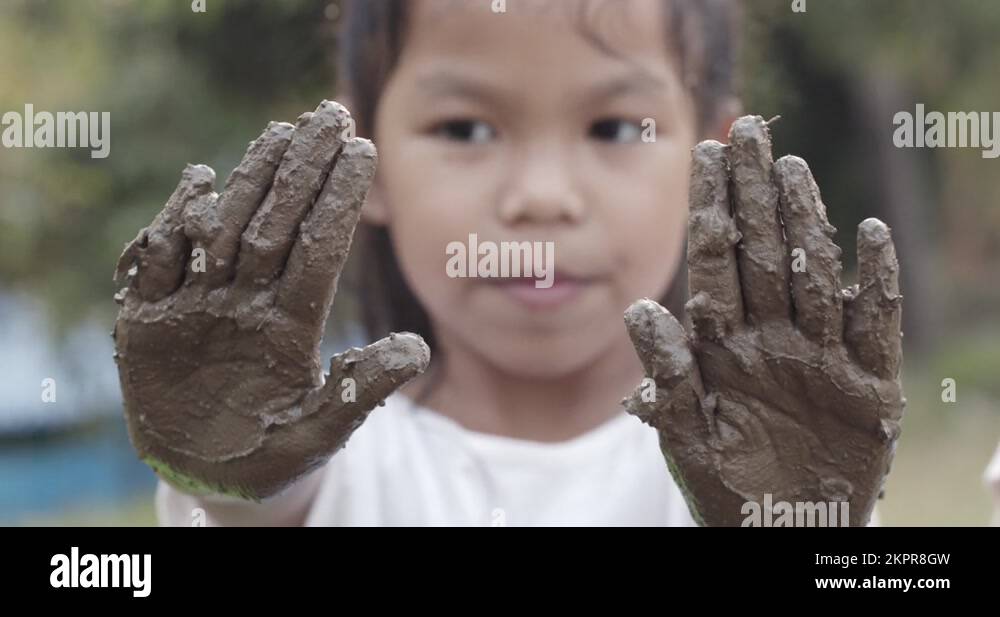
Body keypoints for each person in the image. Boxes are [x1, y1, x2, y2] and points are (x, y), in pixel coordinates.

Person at [113, 0, 904, 526]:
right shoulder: (322, 468)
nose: (541, 197)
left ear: (715, 162)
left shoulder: (769, 464)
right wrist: (219, 466)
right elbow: (261, 501)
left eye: (617, 128)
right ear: (368, 160)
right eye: (465, 129)